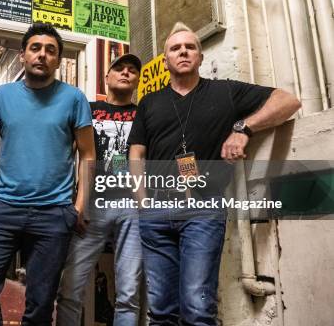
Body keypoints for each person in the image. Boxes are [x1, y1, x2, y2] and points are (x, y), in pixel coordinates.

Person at [128, 22, 301, 325]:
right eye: (175, 48)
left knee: (197, 306)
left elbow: (288, 101)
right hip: (155, 211)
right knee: (161, 309)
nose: (183, 51)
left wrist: (244, 128)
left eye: (190, 47)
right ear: (166, 60)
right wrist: (142, 202)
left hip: (202, 209)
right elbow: (136, 153)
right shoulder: (149, 103)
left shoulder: (225, 92)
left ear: (201, 56)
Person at [0, 23, 95, 325]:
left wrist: (77, 208)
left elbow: (87, 154)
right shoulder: (2, 96)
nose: (42, 55)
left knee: (40, 302)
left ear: (58, 60)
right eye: (35, 48)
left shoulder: (74, 99)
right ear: (23, 55)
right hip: (4, 209)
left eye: (51, 51)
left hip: (53, 214)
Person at [57, 54, 143, 326]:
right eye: (119, 69)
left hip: (133, 207)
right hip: (92, 205)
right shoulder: (89, 110)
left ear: (138, 80)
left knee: (129, 293)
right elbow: (68, 154)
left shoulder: (145, 114)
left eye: (132, 70)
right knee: (70, 288)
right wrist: (74, 202)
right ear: (106, 77)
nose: (126, 73)